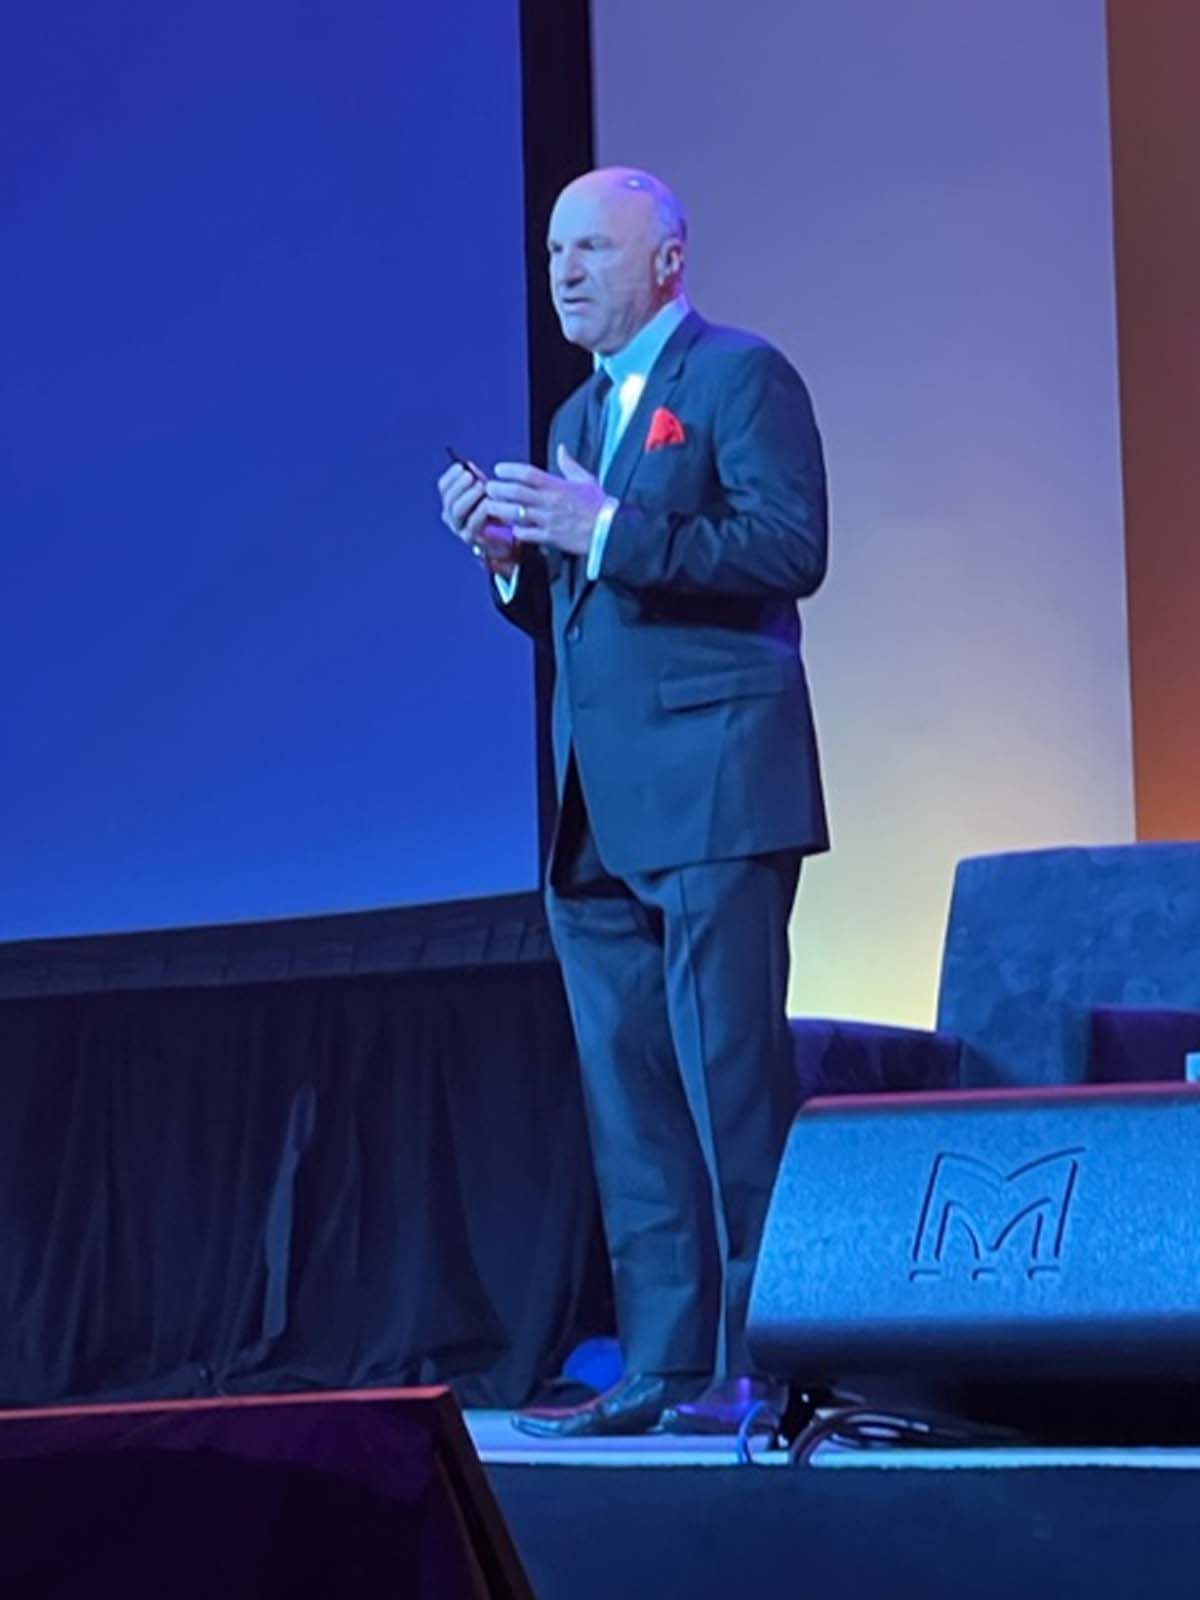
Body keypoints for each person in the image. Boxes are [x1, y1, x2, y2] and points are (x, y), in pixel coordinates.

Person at [436, 167, 828, 1437]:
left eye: (592, 248)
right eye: (554, 249)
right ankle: (664, 1364)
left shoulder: (738, 376)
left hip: (716, 788)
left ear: (666, 260)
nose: (564, 270)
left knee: (731, 1086)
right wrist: (513, 564)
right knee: (632, 1100)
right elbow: (587, 615)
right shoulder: (574, 412)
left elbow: (788, 546)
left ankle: (778, 1362)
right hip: (597, 807)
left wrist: (605, 528)